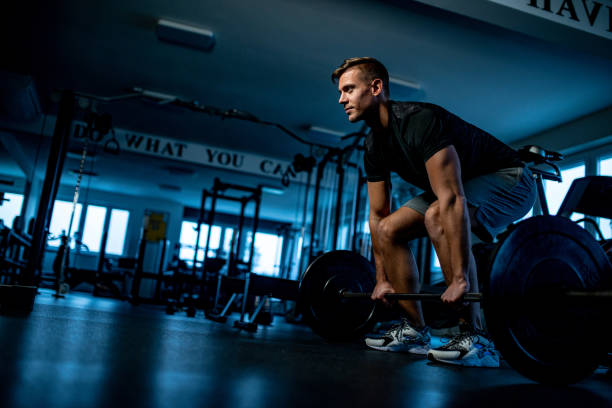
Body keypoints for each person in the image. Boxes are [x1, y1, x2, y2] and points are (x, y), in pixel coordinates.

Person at [331, 57, 536, 367]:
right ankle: (415, 330)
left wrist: (458, 281)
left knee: (436, 214)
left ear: (375, 87)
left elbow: (451, 198)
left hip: (512, 181)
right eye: (341, 92)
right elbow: (377, 216)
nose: (341, 99)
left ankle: (478, 339)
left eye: (348, 89)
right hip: (462, 186)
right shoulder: (374, 144)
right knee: (389, 229)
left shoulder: (419, 121)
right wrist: (381, 278)